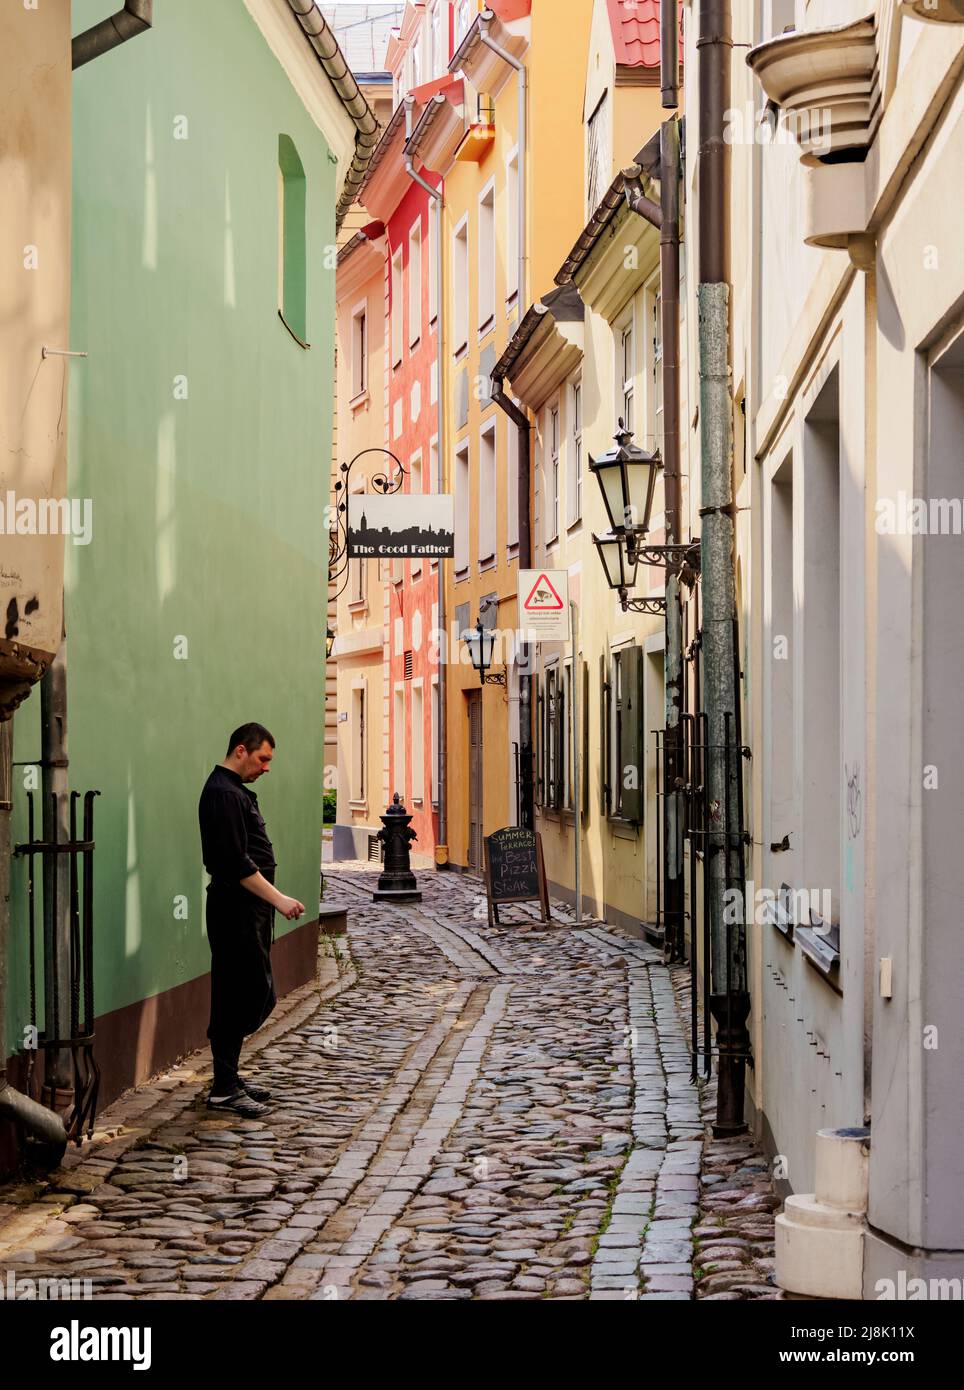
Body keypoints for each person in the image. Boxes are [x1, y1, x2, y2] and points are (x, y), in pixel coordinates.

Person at [198, 723, 304, 1117]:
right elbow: (236, 863)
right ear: (240, 751)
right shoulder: (223, 794)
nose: (267, 767)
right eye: (263, 759)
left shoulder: (233, 791)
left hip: (247, 912)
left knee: (247, 992)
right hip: (234, 910)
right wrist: (279, 901)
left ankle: (228, 1078)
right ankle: (224, 1088)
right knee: (239, 995)